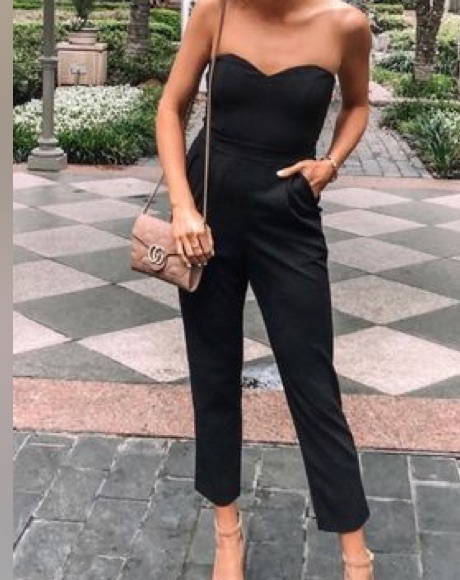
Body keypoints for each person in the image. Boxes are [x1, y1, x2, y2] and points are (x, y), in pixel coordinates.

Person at [155, 0, 374, 578]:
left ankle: (356, 554)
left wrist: (331, 163)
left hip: (289, 216)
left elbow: (357, 105)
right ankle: (227, 531)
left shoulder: (345, 25)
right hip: (207, 215)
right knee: (213, 371)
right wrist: (181, 206)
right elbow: (171, 107)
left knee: (313, 382)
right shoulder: (216, 11)